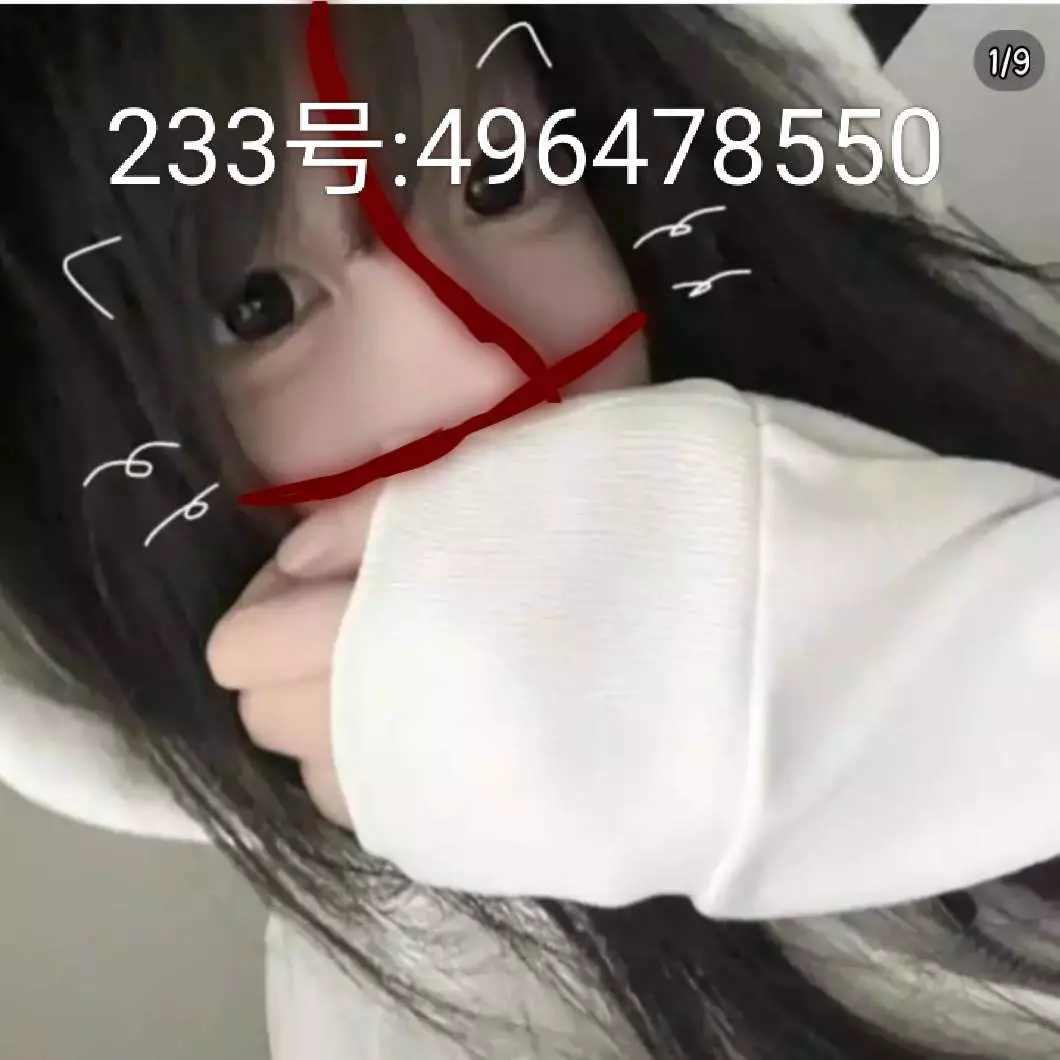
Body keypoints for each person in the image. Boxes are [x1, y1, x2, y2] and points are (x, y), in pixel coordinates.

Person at [1, 5, 1060, 1059]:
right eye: (260, 308)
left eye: (499, 180)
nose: (485, 371)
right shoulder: (419, 1025)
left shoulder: (937, 424)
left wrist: (893, 650)